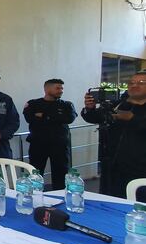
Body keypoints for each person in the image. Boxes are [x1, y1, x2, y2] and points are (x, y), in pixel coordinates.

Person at [81, 71, 146, 200]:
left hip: (141, 169)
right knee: (110, 201)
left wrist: (132, 118)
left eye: (141, 83)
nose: (135, 86)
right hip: (112, 166)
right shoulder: (117, 104)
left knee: (138, 205)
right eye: (131, 83)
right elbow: (95, 117)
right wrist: (90, 109)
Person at [23, 79, 77, 190]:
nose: (61, 91)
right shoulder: (33, 104)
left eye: (62, 88)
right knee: (35, 173)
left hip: (60, 145)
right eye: (58, 88)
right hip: (38, 144)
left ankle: (60, 197)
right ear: (47, 89)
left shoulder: (67, 105)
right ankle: (34, 198)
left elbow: (69, 118)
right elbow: (30, 118)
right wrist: (55, 117)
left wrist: (44, 116)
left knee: (61, 174)